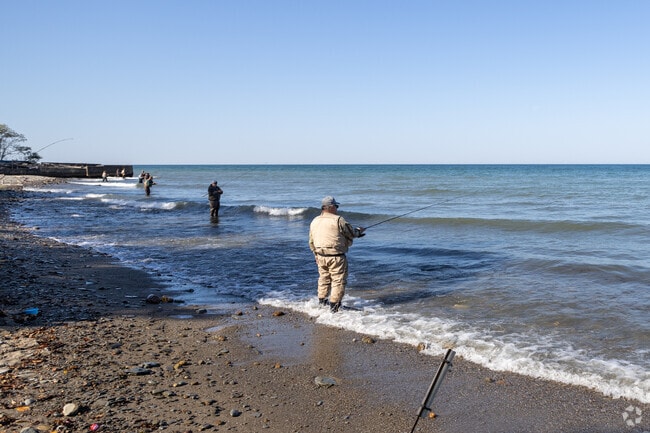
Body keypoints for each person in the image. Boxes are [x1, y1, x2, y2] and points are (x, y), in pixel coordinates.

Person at [309, 196, 365, 312]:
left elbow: (311, 240)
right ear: (331, 207)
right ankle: (334, 308)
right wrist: (359, 231)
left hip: (320, 256)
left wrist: (315, 255)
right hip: (336, 257)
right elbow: (351, 233)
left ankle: (322, 303)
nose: (337, 208)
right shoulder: (338, 220)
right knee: (338, 280)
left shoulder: (315, 220)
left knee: (324, 279)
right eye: (336, 206)